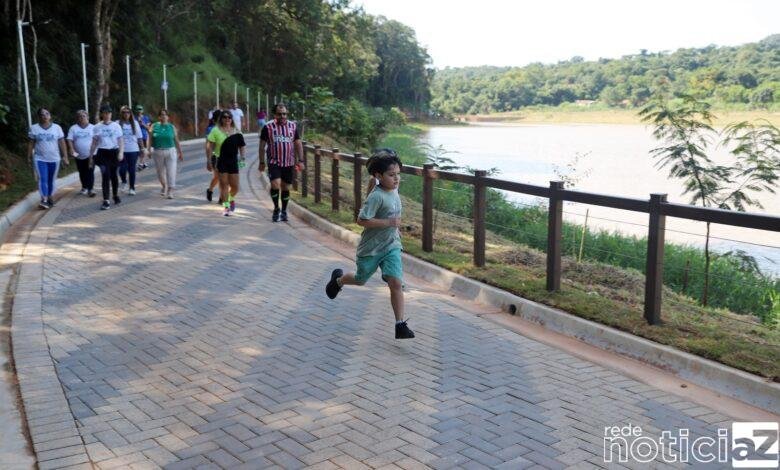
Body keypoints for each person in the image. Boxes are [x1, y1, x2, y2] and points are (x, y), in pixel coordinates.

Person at [325, 151, 413, 339]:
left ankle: (400, 325)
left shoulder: (394, 190)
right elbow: (362, 220)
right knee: (360, 279)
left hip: (391, 245)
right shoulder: (377, 197)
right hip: (372, 248)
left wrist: (395, 230)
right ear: (379, 176)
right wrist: (389, 223)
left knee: (396, 283)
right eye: (391, 175)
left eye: (398, 174)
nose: (396, 178)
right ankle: (339, 280)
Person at [258, 104, 304, 222]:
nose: (282, 116)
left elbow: (298, 143)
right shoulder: (268, 127)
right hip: (274, 162)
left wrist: (301, 160)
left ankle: (284, 210)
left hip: (289, 162)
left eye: (284, 114)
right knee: (275, 184)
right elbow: (262, 146)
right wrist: (262, 162)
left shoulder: (292, 126)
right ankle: (276, 208)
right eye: (280, 114)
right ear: (275, 115)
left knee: (286, 188)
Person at [28, 107, 69, 209]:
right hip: (40, 158)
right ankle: (44, 199)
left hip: (54, 159)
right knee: (43, 178)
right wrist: (28, 156)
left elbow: (62, 142)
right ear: (39, 117)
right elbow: (31, 143)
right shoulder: (34, 128)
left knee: (51, 179)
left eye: (47, 114)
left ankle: (50, 197)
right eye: (42, 114)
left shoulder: (57, 128)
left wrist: (65, 156)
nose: (45, 116)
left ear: (50, 116)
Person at [206, 112, 246, 216]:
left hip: (233, 161)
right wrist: (209, 160)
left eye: (229, 117)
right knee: (224, 185)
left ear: (232, 119)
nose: (227, 119)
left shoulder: (237, 131)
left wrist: (242, 158)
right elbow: (209, 145)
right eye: (225, 117)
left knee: (235, 187)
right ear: (221, 119)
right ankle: (226, 207)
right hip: (221, 160)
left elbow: (242, 146)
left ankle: (230, 198)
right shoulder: (215, 130)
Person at [89, 104, 123, 210]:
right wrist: (90, 157)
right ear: (102, 114)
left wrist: (121, 152)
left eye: (109, 113)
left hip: (114, 152)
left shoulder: (116, 126)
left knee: (113, 175)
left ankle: (115, 195)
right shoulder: (97, 127)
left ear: (111, 114)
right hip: (102, 153)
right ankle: (106, 200)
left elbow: (120, 141)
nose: (107, 115)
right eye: (105, 113)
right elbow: (94, 143)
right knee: (105, 175)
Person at [147, 109, 183, 199]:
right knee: (160, 172)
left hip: (170, 151)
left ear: (168, 117)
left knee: (171, 171)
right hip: (157, 151)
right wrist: (148, 150)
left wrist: (180, 152)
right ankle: (164, 186)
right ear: (159, 116)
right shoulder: (154, 126)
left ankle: (170, 190)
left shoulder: (172, 127)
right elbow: (150, 138)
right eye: (161, 115)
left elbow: (176, 140)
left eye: (165, 115)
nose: (163, 116)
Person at [66, 109, 96, 197]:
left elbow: (97, 139)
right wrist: (71, 149)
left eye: (83, 116)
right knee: (82, 171)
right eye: (79, 116)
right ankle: (84, 187)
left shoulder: (93, 127)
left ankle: (91, 189)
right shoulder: (73, 128)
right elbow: (69, 139)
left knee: (90, 171)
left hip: (91, 154)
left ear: (87, 117)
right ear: (77, 118)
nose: (82, 118)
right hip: (78, 155)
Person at [117, 105, 144, 195]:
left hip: (133, 149)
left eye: (128, 112)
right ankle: (124, 181)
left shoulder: (135, 123)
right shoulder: (117, 123)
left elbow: (139, 137)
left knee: (132, 169)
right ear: (121, 114)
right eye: (124, 112)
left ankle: (132, 188)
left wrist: (142, 148)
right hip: (122, 150)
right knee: (122, 169)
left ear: (130, 113)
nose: (126, 114)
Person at [204, 109, 222, 202]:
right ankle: (211, 190)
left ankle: (221, 196)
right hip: (215, 156)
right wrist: (208, 159)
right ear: (215, 120)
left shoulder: (227, 128)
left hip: (225, 157)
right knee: (218, 177)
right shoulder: (211, 129)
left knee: (221, 177)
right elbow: (208, 145)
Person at [133, 104, 152, 170]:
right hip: (137, 137)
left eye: (140, 109)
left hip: (144, 136)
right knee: (139, 151)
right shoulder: (134, 118)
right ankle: (142, 163)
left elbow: (149, 128)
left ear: (142, 110)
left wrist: (142, 123)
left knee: (145, 150)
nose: (139, 111)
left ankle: (142, 163)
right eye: (138, 109)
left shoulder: (146, 118)